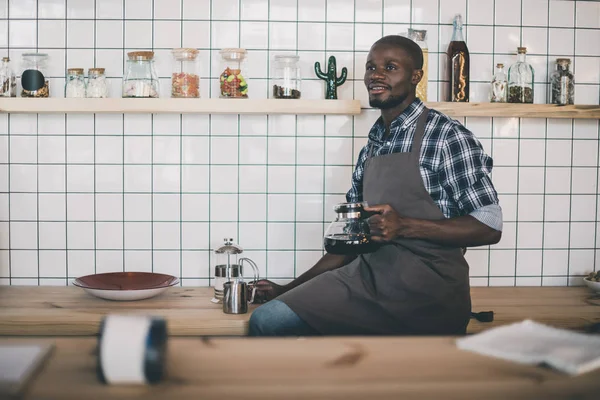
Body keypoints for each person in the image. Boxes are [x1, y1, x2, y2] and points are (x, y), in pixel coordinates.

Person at [248, 35, 502, 336]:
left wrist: (405, 226)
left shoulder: (447, 136)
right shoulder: (373, 144)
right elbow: (349, 241)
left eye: (390, 67)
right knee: (267, 320)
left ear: (415, 76)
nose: (376, 75)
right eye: (371, 67)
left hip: (428, 296)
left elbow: (490, 225)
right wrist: (286, 289)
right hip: (367, 282)